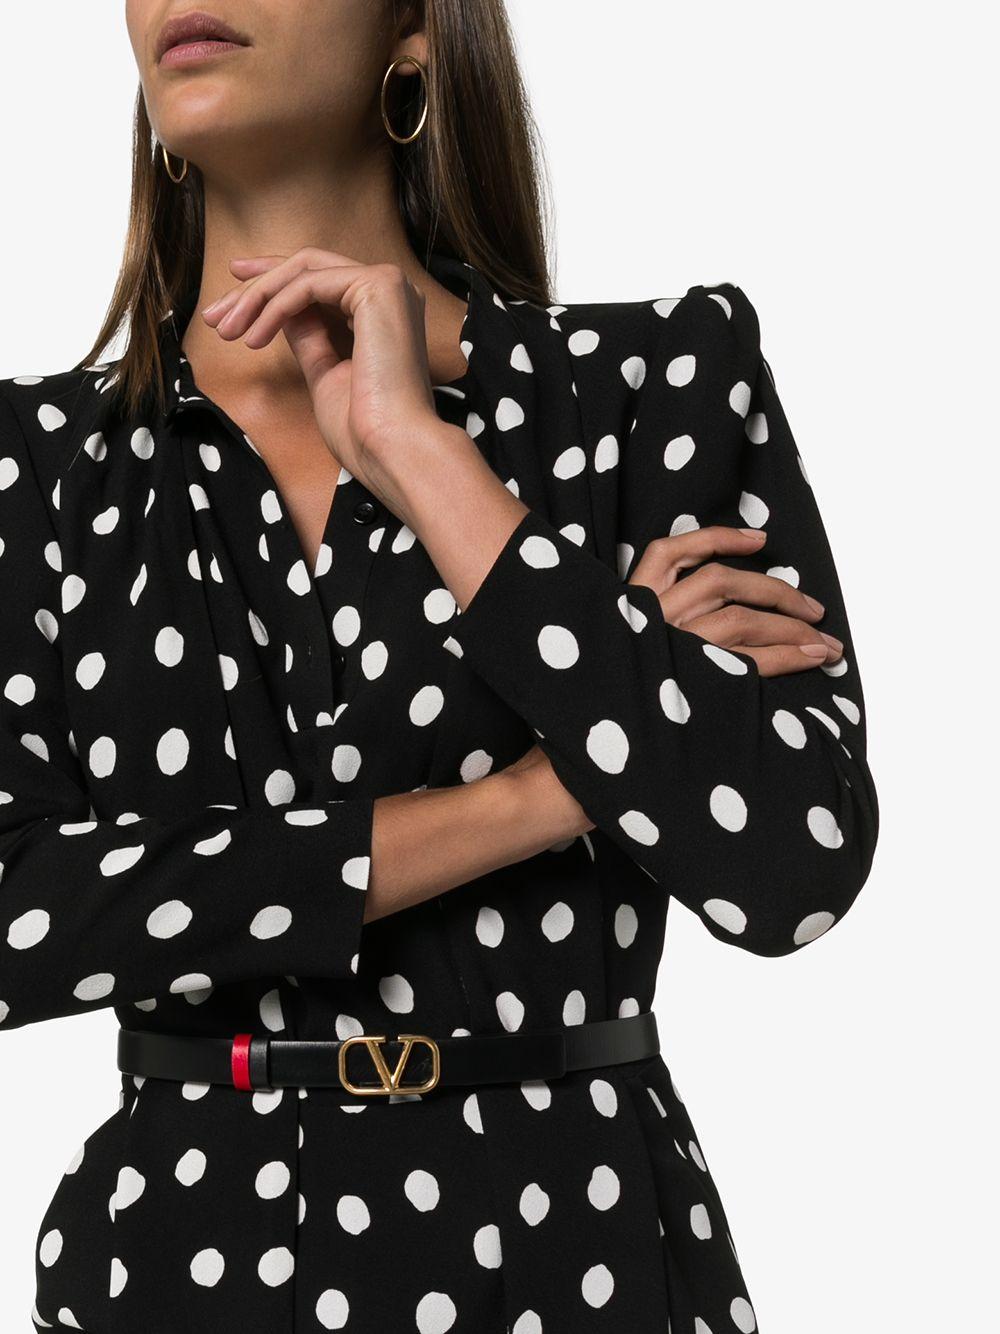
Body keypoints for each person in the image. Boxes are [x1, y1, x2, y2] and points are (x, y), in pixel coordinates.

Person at [0, 2, 880, 1331]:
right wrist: (539, 796)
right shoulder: (41, 472)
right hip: (180, 1265)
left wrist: (426, 459)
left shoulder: (651, 384)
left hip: (573, 1253)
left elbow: (793, 864)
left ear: (413, 28)